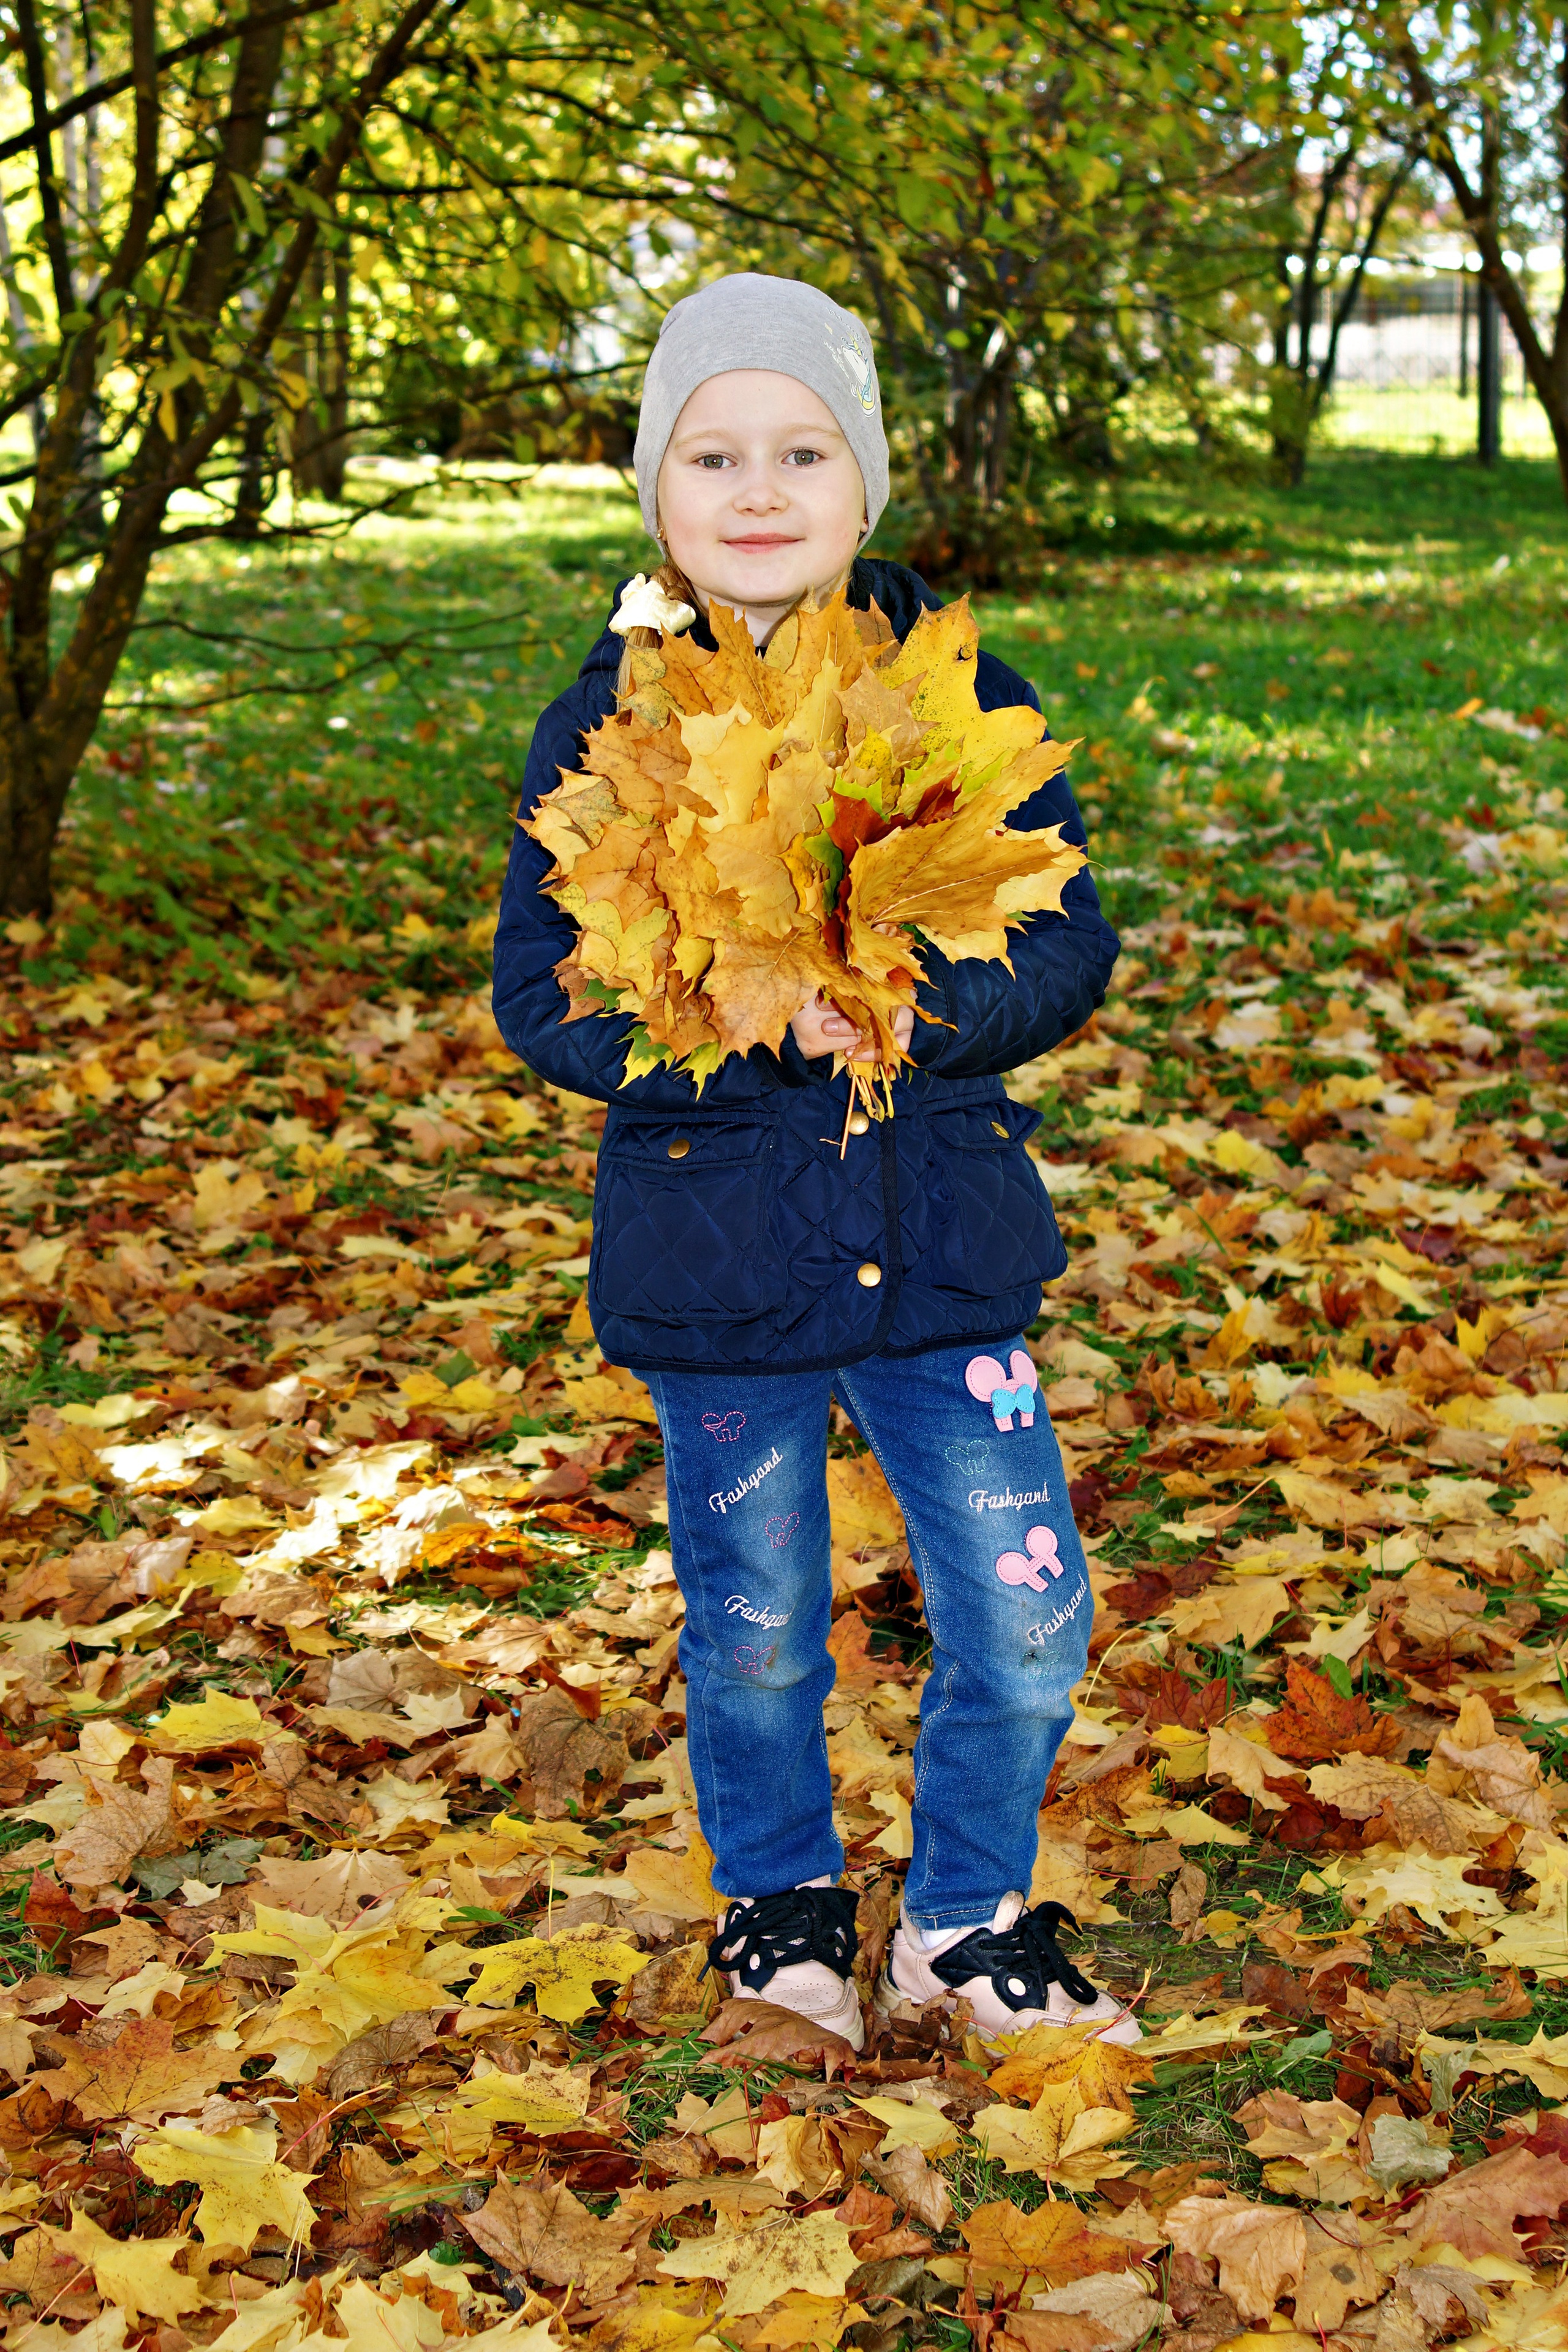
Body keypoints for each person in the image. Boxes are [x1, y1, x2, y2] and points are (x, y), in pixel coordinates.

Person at [492, 273, 1134, 2052]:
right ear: (659, 496)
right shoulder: (606, 729)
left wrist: (913, 1004)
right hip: (722, 1269)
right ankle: (777, 1899)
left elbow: (1064, 946)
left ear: (863, 491)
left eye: (801, 451)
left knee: (1024, 1612)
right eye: (713, 454)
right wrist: (727, 1009)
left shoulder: (960, 697)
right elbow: (538, 999)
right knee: (760, 1624)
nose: (758, 488)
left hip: (942, 1254)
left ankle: (963, 1917)